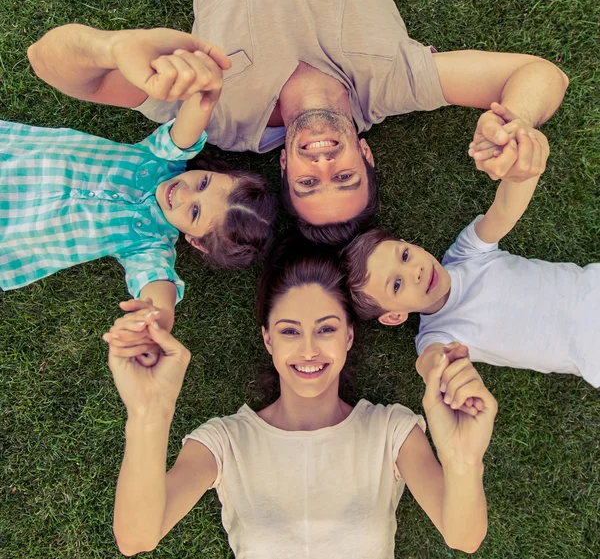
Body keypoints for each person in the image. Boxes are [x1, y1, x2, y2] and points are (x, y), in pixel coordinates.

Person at [27, 0, 569, 244]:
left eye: (309, 182)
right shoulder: (392, 86)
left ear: (283, 164)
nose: (323, 163)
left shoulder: (214, 116)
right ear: (366, 155)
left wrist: (110, 47)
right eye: (345, 177)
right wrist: (517, 121)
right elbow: (540, 73)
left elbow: (48, 62)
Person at [107, 241, 498, 557]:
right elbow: (137, 538)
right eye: (290, 332)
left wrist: (463, 460)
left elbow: (463, 537)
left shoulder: (390, 431)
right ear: (268, 339)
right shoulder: (225, 443)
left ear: (348, 336)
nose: (309, 350)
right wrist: (148, 414)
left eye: (326, 329)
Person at [1, 77, 277, 343]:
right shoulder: (162, 160)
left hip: (14, 233)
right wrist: (206, 94)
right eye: (203, 183)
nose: (183, 192)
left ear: (196, 241)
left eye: (194, 212)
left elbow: (156, 282)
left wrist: (158, 317)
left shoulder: (150, 244)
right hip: (16, 158)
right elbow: (189, 126)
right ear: (213, 172)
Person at [341, 124, 599, 388]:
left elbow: (505, 210)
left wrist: (522, 163)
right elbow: (429, 362)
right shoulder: (436, 334)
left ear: (410, 244)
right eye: (397, 284)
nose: (414, 271)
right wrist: (439, 371)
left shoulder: (466, 253)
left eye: (405, 255)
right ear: (394, 316)